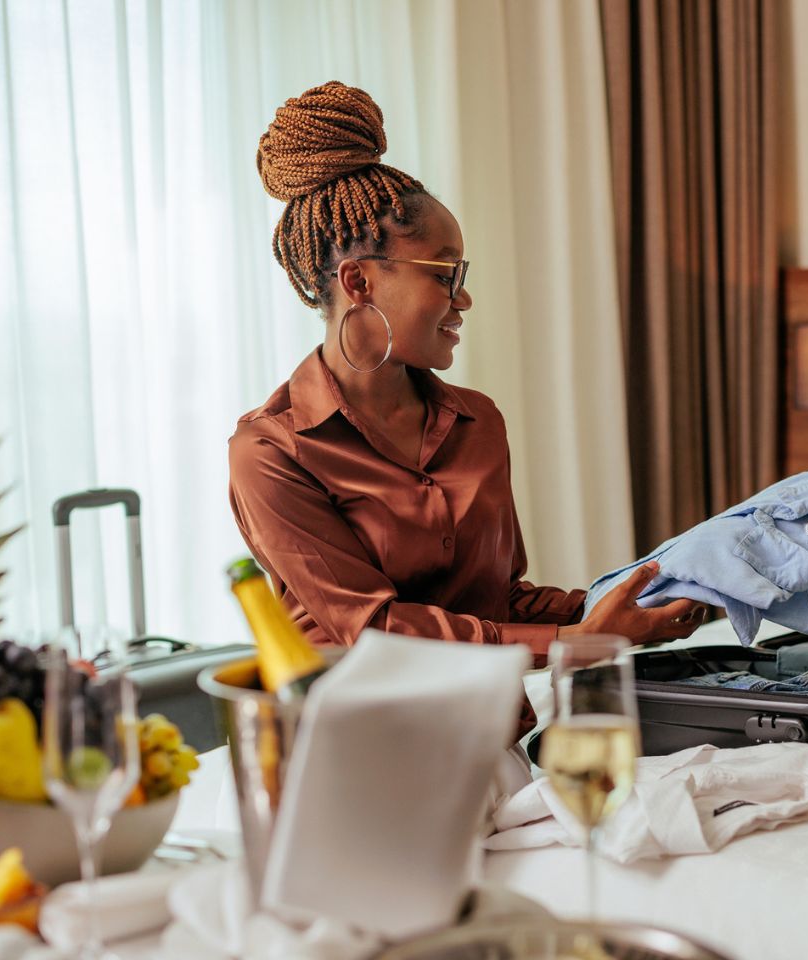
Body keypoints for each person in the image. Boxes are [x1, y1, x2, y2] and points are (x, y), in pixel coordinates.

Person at [227, 81, 706, 733]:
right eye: (444, 273)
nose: (464, 298)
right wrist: (580, 640)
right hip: (363, 750)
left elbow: (501, 599)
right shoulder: (272, 452)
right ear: (360, 281)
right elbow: (374, 629)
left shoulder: (479, 422)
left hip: (499, 727)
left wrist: (637, 599)